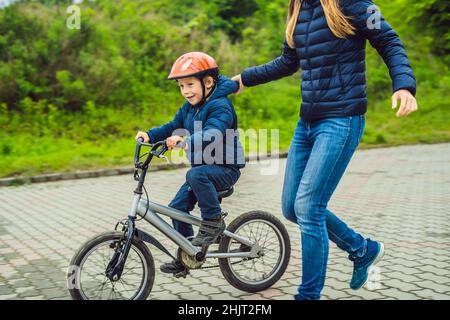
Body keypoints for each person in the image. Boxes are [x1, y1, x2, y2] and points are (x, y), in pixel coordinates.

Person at [232, 0, 418, 300]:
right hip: (307, 122)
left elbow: (388, 40)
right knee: (292, 206)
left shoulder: (353, 4)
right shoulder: (298, 9)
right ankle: (362, 249)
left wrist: (404, 84)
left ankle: (308, 295)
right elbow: (288, 62)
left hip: (342, 120)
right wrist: (245, 78)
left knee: (309, 207)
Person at [136, 52, 245, 274]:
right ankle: (188, 254)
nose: (185, 91)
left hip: (225, 168)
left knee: (195, 175)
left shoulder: (220, 106)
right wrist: (149, 135)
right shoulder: (189, 108)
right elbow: (171, 126)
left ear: (208, 82)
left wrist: (186, 141)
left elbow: (213, 132)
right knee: (176, 209)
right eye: (181, 86)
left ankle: (213, 221)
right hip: (204, 170)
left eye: (190, 84)